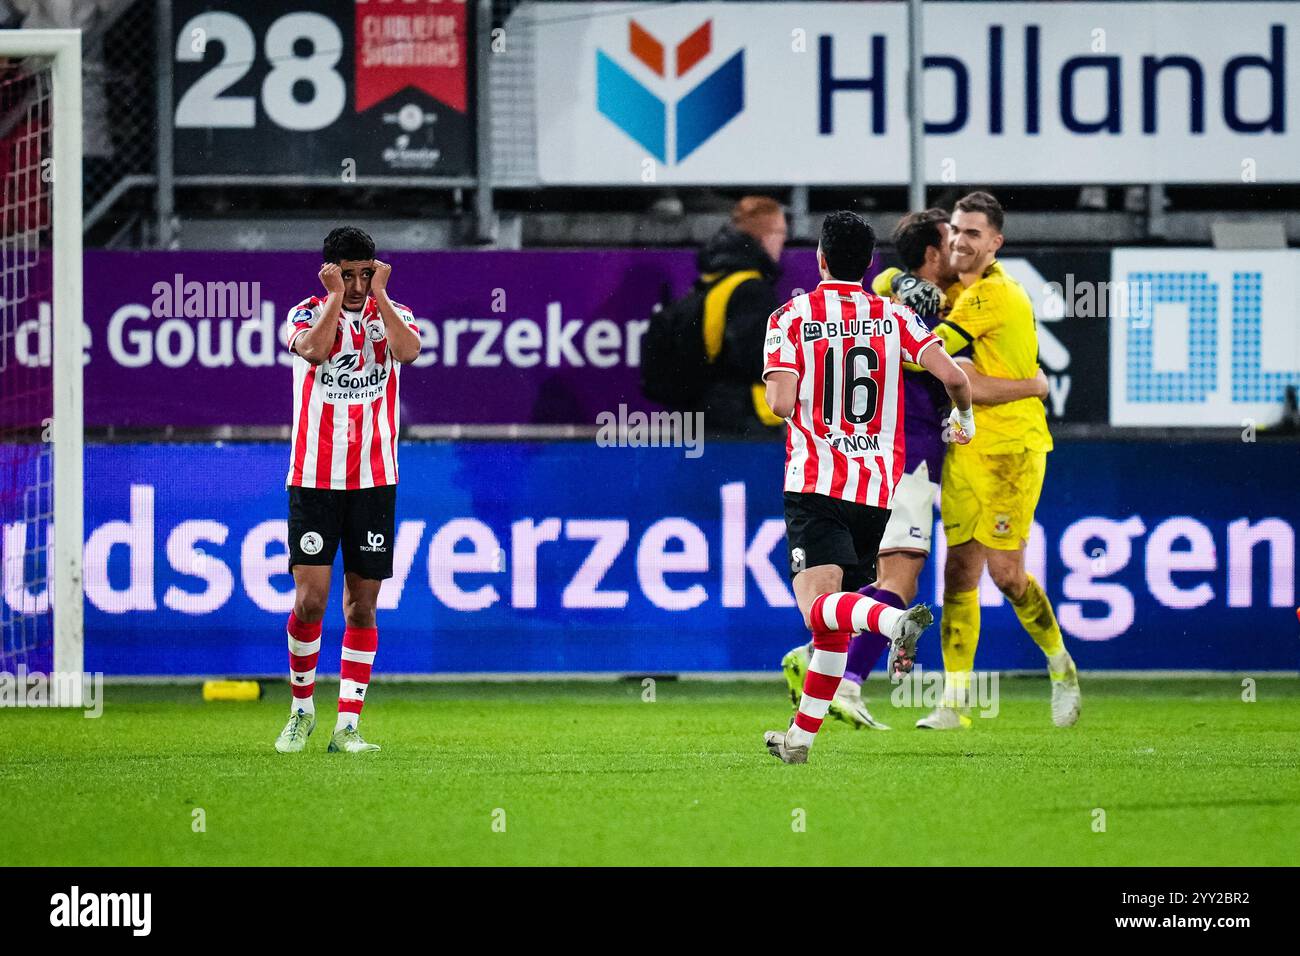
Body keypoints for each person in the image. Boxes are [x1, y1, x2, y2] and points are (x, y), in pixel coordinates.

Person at [777, 209, 1047, 729]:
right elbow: (959, 378)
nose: (960, 251)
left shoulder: (881, 298)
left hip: (841, 467)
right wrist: (1032, 387)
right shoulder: (906, 314)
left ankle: (823, 668)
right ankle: (841, 678)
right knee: (899, 580)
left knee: (868, 579)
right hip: (903, 458)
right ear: (929, 254)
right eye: (952, 241)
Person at [760, 211, 976, 765]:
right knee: (833, 627)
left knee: (818, 612)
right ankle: (799, 740)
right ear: (869, 264)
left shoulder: (791, 316)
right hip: (877, 489)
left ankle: (892, 620)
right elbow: (954, 377)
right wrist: (965, 421)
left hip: (815, 482)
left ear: (820, 260)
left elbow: (782, 404)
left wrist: (791, 387)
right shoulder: (892, 316)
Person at [912, 192, 1081, 729]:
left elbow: (934, 360)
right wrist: (1028, 382)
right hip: (966, 448)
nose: (960, 240)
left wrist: (1003, 385)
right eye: (956, 231)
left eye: (973, 234)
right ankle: (954, 703)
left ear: (996, 243)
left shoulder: (993, 296)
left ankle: (1060, 666)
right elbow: (962, 376)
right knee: (958, 570)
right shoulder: (960, 293)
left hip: (1013, 451)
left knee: (1007, 575)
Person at [274, 226, 422, 755]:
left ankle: (349, 726)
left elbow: (408, 352)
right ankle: (301, 710)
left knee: (362, 606)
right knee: (311, 600)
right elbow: (313, 353)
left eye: (366, 273)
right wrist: (336, 298)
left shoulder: (394, 312)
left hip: (375, 479)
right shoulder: (304, 313)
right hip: (314, 477)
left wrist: (379, 296)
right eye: (348, 274)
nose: (359, 283)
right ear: (330, 271)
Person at [641, 196, 786, 435]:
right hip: (744, 421)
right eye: (780, 233)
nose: (782, 242)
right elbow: (757, 361)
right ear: (766, 237)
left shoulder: (713, 282)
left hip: (707, 413)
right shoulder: (750, 290)